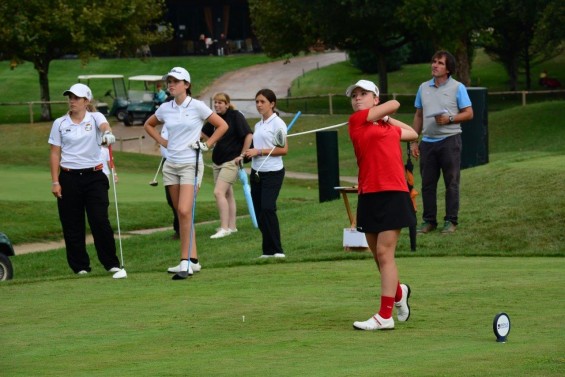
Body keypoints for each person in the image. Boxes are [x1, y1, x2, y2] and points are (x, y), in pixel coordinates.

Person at [345, 79, 418, 331]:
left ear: (375, 99)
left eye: (363, 94)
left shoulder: (388, 129)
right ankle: (399, 292)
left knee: (385, 254)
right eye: (354, 95)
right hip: (368, 194)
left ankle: (385, 316)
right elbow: (394, 104)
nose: (356, 98)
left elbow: (413, 133)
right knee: (378, 257)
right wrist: (385, 115)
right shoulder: (355, 122)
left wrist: (387, 120)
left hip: (394, 193)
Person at [144, 67, 228, 280]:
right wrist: (163, 141)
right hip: (171, 165)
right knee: (180, 211)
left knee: (184, 210)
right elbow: (149, 125)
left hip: (191, 163)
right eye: (169, 81)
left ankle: (184, 262)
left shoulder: (197, 106)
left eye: (176, 81)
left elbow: (222, 125)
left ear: (187, 85)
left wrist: (207, 144)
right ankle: (194, 260)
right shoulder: (165, 108)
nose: (171, 84)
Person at [48, 83, 123, 278]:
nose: (72, 101)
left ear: (86, 101)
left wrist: (107, 134)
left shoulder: (96, 117)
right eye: (70, 97)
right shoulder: (60, 123)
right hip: (69, 176)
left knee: (99, 220)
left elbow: (104, 126)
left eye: (76, 98)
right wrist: (55, 181)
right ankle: (80, 267)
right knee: (72, 224)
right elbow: (55, 153)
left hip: (94, 177)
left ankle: (111, 263)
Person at [411, 51, 474, 234]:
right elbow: (418, 115)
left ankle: (451, 221)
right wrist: (414, 141)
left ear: (448, 69)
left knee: (451, 183)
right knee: (428, 184)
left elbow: (469, 113)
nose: (435, 65)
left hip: (450, 141)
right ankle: (429, 221)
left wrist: (450, 119)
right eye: (433, 62)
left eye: (440, 63)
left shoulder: (458, 87)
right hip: (427, 143)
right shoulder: (423, 87)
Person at [242, 89, 288, 258]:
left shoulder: (278, 124)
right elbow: (255, 148)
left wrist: (258, 151)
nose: (259, 105)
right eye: (257, 102)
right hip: (257, 172)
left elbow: (283, 149)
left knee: (268, 208)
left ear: (272, 104)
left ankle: (277, 250)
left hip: (273, 172)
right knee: (259, 211)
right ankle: (267, 250)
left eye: (262, 102)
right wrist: (245, 154)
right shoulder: (258, 125)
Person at [202, 93, 253, 239]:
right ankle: (232, 227)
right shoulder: (214, 119)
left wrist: (242, 155)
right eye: (216, 103)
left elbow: (248, 135)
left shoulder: (235, 116)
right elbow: (203, 132)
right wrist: (212, 142)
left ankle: (224, 228)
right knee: (227, 194)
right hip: (217, 161)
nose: (217, 105)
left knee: (218, 192)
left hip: (232, 161)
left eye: (220, 103)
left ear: (227, 104)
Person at [160, 126, 179, 239]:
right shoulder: (164, 121)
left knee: (180, 200)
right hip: (167, 162)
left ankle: (182, 230)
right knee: (171, 200)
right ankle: (180, 229)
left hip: (179, 161)